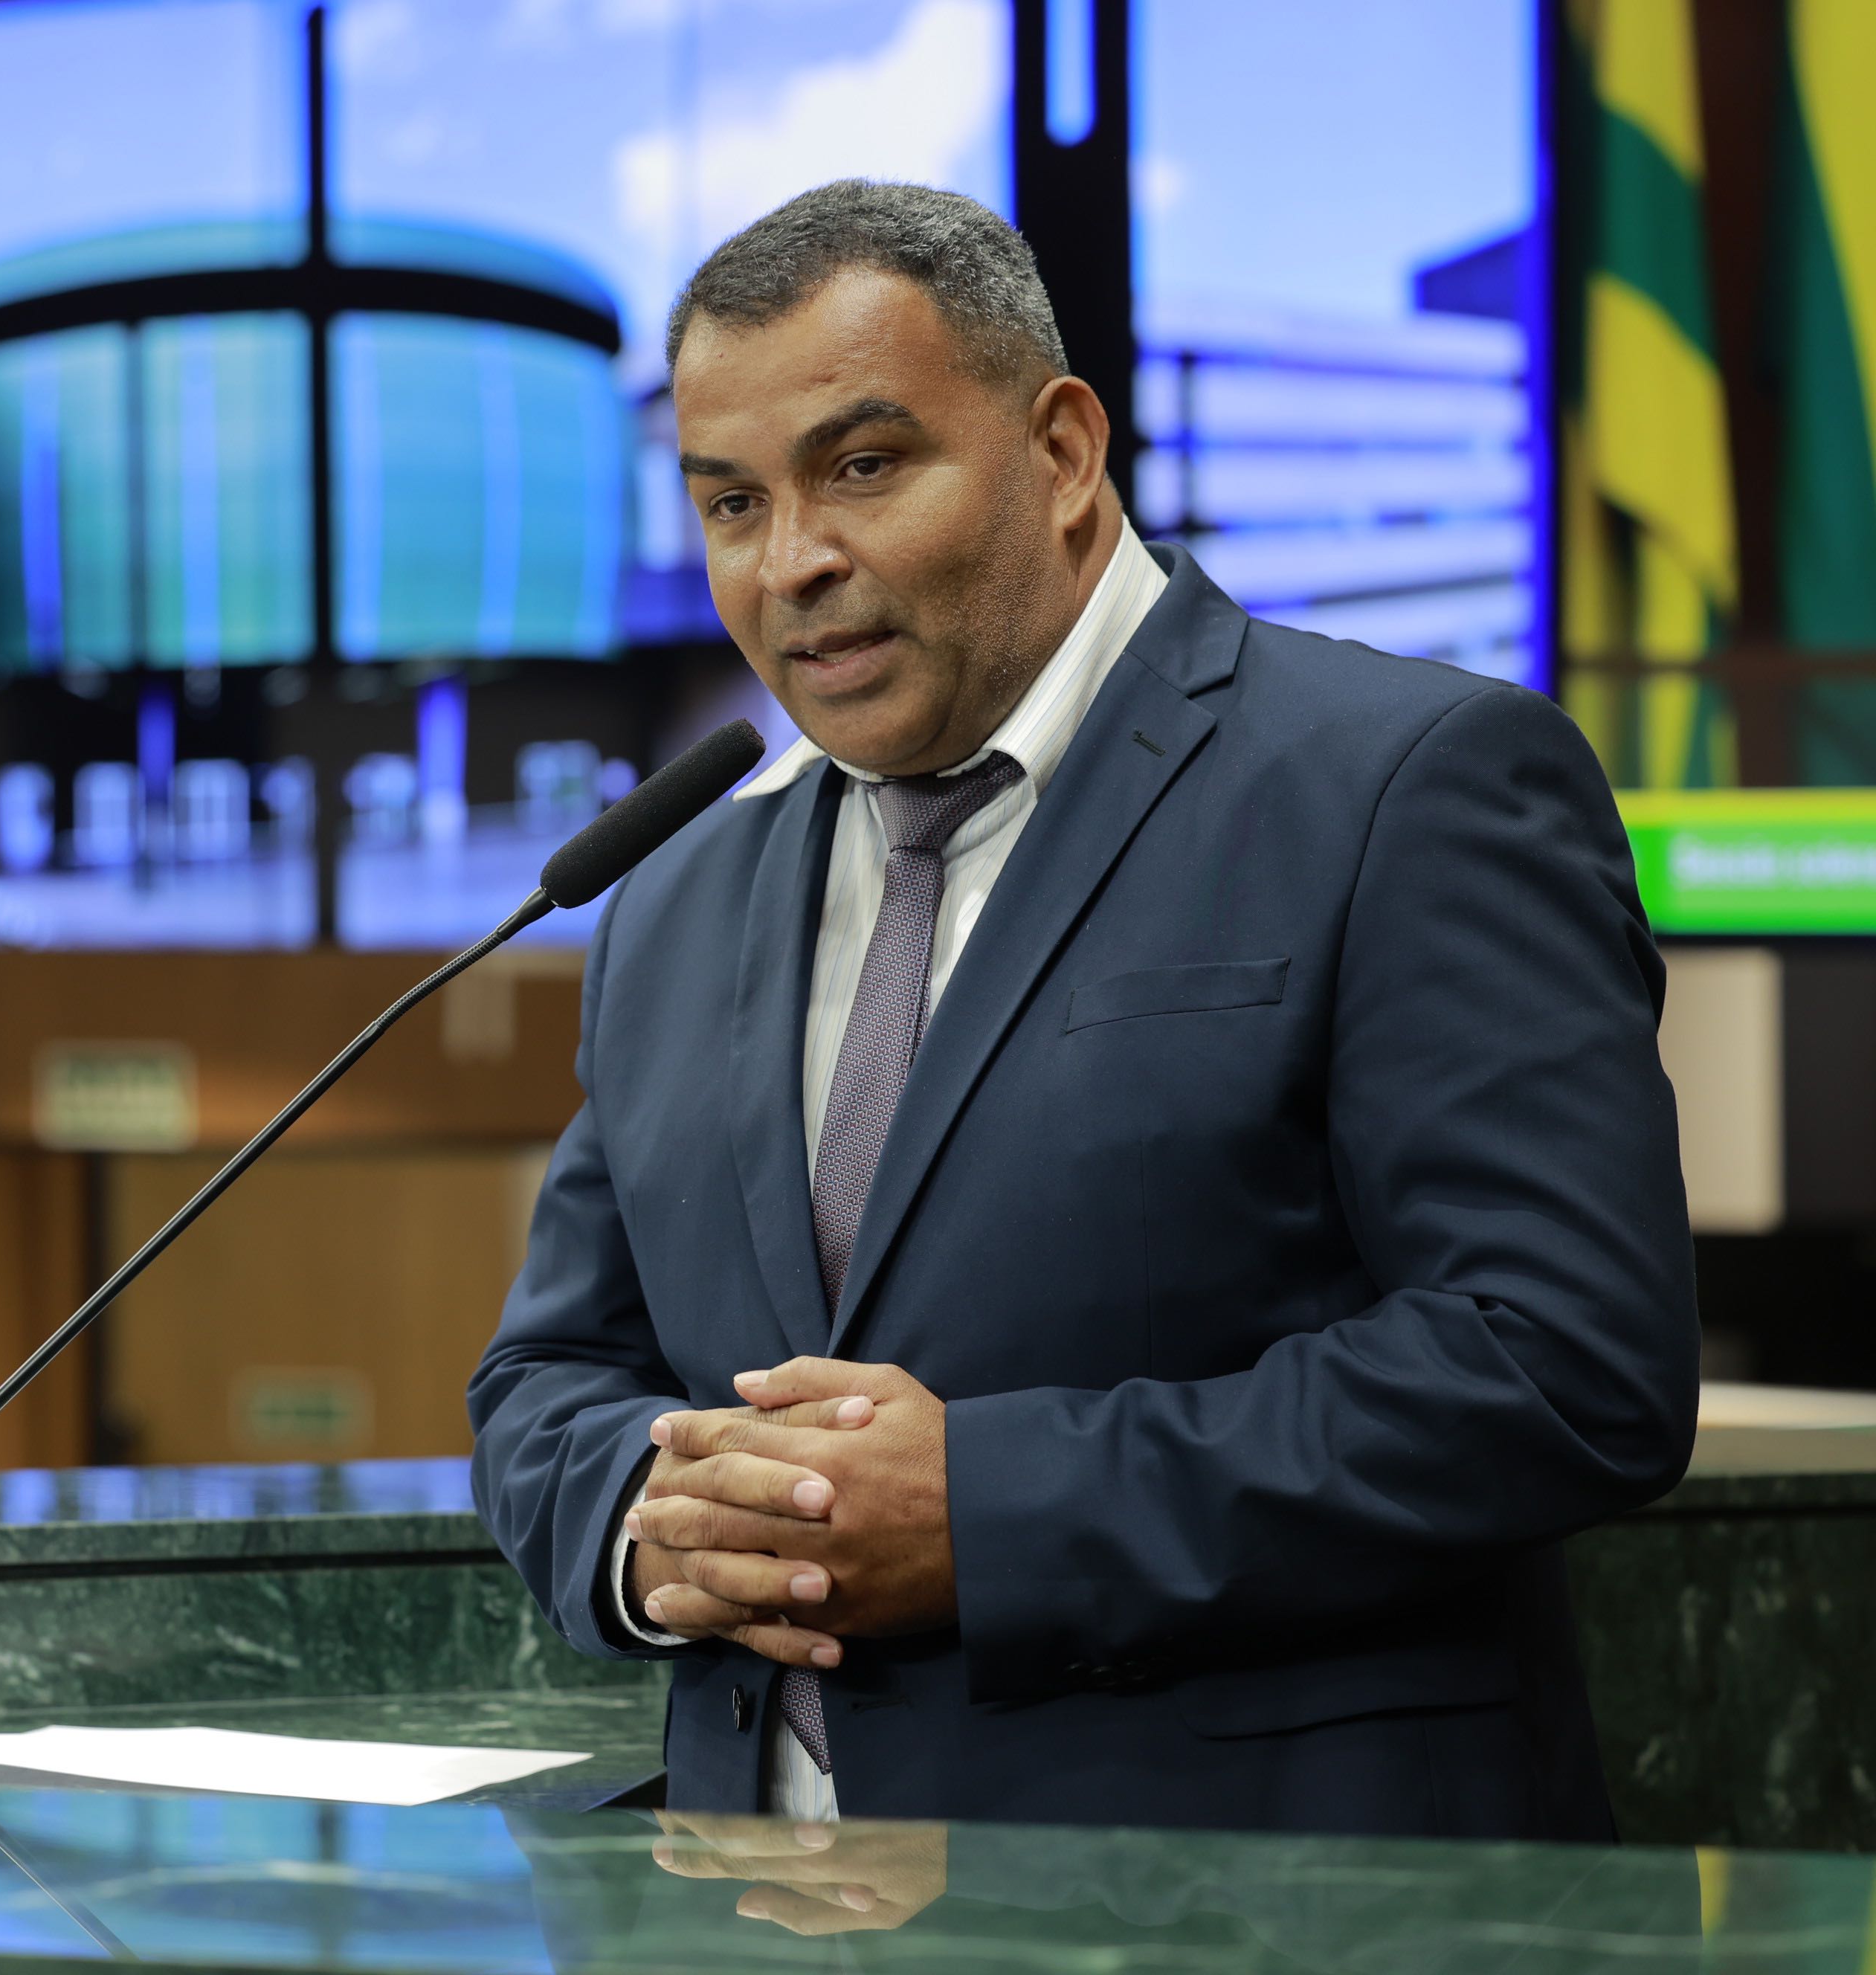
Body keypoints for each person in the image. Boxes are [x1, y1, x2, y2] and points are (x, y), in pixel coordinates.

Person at [466, 179, 1695, 1839]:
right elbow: (550, 1376)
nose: (793, 561)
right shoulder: (674, 901)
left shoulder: (1412, 783)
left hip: (1267, 1908)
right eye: (732, 502)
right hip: (752, 1899)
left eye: (864, 466)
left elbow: (1565, 1362)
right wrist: (653, 1528)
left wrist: (988, 1508)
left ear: (1060, 451)